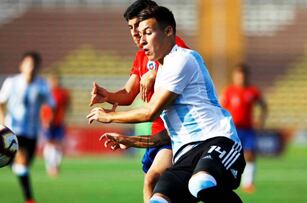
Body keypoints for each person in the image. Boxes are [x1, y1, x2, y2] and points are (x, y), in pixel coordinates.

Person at [88, 6, 245, 203]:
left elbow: (150, 112)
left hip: (218, 141)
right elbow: (167, 134)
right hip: (185, 154)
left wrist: (109, 116)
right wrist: (129, 140)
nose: (141, 38)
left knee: (200, 183)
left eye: (147, 32)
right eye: (137, 32)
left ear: (168, 31)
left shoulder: (183, 58)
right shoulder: (161, 73)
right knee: (157, 199)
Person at [89, 1, 189, 202]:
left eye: (138, 26)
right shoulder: (141, 56)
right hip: (157, 134)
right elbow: (128, 93)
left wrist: (155, 73)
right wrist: (107, 95)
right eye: (131, 28)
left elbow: (180, 66)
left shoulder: (173, 44)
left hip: (176, 133)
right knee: (160, 188)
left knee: (153, 180)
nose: (135, 33)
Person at [0, 51, 55, 203]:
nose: (30, 68)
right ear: (21, 66)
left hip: (33, 132)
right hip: (13, 130)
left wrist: (47, 118)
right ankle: (29, 198)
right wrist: (1, 120)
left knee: (24, 166)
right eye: (28, 64)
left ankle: (1, 159)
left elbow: (51, 105)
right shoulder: (11, 82)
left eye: (34, 65)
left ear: (38, 67)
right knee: (21, 160)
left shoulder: (42, 85)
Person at [221, 64, 268, 193]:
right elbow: (220, 109)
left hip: (248, 130)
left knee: (250, 154)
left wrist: (260, 120)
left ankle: (248, 183)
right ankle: (226, 181)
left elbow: (263, 106)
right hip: (232, 130)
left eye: (242, 76)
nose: (240, 78)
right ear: (234, 77)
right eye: (238, 76)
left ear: (246, 76)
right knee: (229, 156)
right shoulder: (229, 91)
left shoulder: (253, 91)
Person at [40, 73, 70, 177]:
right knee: (50, 144)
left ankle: (55, 166)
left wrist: (64, 116)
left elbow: (66, 106)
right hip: (48, 122)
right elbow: (44, 108)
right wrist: (45, 120)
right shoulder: (47, 93)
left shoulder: (63, 93)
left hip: (58, 122)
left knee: (58, 145)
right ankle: (50, 166)